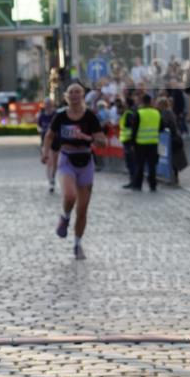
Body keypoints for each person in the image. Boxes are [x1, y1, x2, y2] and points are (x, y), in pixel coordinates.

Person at [50, 83, 106, 260]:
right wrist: (45, 153)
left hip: (86, 161)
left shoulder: (90, 116)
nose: (74, 95)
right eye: (71, 92)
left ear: (83, 95)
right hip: (67, 159)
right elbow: (49, 136)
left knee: (82, 210)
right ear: (67, 96)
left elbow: (101, 141)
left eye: (78, 92)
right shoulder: (60, 116)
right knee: (70, 195)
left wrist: (87, 138)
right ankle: (65, 217)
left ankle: (77, 244)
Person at [130, 93, 162, 192]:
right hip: (153, 143)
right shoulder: (156, 112)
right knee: (152, 166)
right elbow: (161, 127)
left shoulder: (139, 113)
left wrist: (132, 143)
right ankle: (153, 185)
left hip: (140, 143)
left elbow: (134, 129)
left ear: (142, 102)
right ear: (151, 101)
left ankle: (138, 185)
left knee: (140, 165)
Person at [38, 98, 58, 193]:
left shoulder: (57, 115)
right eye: (47, 104)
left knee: (55, 162)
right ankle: (51, 181)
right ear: (44, 105)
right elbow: (39, 126)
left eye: (50, 104)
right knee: (49, 161)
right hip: (45, 141)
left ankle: (53, 176)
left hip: (57, 140)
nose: (48, 105)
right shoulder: (42, 116)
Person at [119, 94, 137, 188]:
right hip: (128, 141)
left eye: (124, 103)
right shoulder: (128, 112)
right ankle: (132, 181)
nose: (122, 104)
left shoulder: (129, 113)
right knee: (130, 162)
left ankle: (134, 181)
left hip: (129, 141)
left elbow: (131, 127)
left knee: (131, 162)